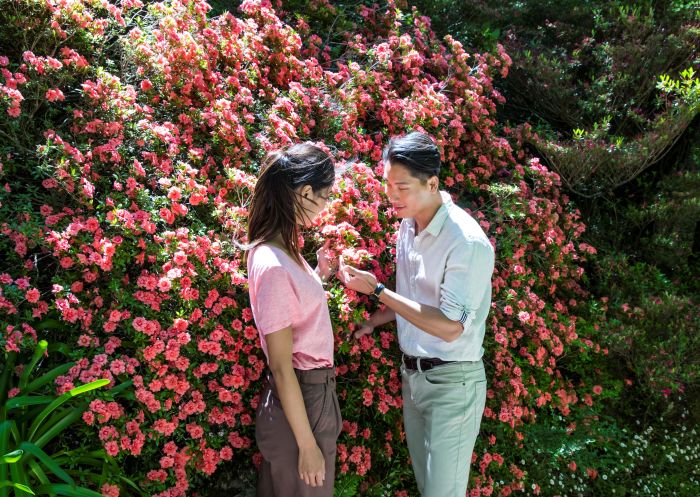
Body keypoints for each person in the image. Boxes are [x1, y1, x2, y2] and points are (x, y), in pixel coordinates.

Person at [339, 131, 494, 497]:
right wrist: (375, 320)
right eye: (388, 185)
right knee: (429, 489)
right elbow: (414, 299)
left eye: (402, 187)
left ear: (433, 183)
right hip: (413, 378)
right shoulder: (407, 227)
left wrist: (377, 291)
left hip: (453, 385)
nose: (391, 195)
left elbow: (450, 327)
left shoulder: (466, 242)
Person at [246, 143, 342, 497]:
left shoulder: (285, 252)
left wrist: (318, 276)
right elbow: (282, 366)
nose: (326, 205)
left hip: (309, 399)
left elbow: (295, 313)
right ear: (305, 193)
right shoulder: (273, 262)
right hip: (301, 401)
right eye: (325, 196)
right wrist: (307, 446)